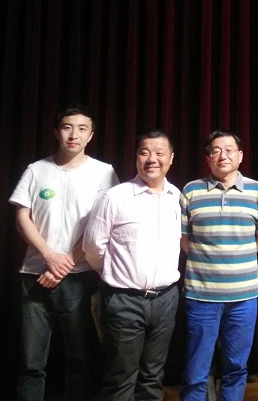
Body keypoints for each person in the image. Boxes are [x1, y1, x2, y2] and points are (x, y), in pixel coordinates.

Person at [10, 104, 119, 401]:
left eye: (82, 129)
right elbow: (21, 216)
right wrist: (49, 256)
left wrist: (67, 261)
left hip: (80, 275)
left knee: (80, 359)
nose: (74, 135)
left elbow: (104, 223)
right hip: (34, 273)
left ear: (91, 135)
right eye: (67, 127)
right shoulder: (36, 170)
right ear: (56, 132)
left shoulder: (103, 172)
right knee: (31, 363)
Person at [83, 129, 182, 401]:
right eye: (144, 152)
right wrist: (118, 274)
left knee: (153, 376)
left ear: (171, 158)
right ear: (136, 157)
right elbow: (92, 247)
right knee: (120, 377)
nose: (152, 159)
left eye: (159, 153)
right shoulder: (115, 197)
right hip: (124, 300)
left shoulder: (177, 197)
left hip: (166, 300)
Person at [180, 130, 258, 401]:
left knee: (236, 367)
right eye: (216, 150)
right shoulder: (191, 190)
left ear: (240, 156)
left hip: (244, 297)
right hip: (201, 295)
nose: (223, 155)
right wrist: (207, 259)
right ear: (208, 158)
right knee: (196, 370)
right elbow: (184, 238)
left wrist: (241, 255)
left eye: (230, 150)